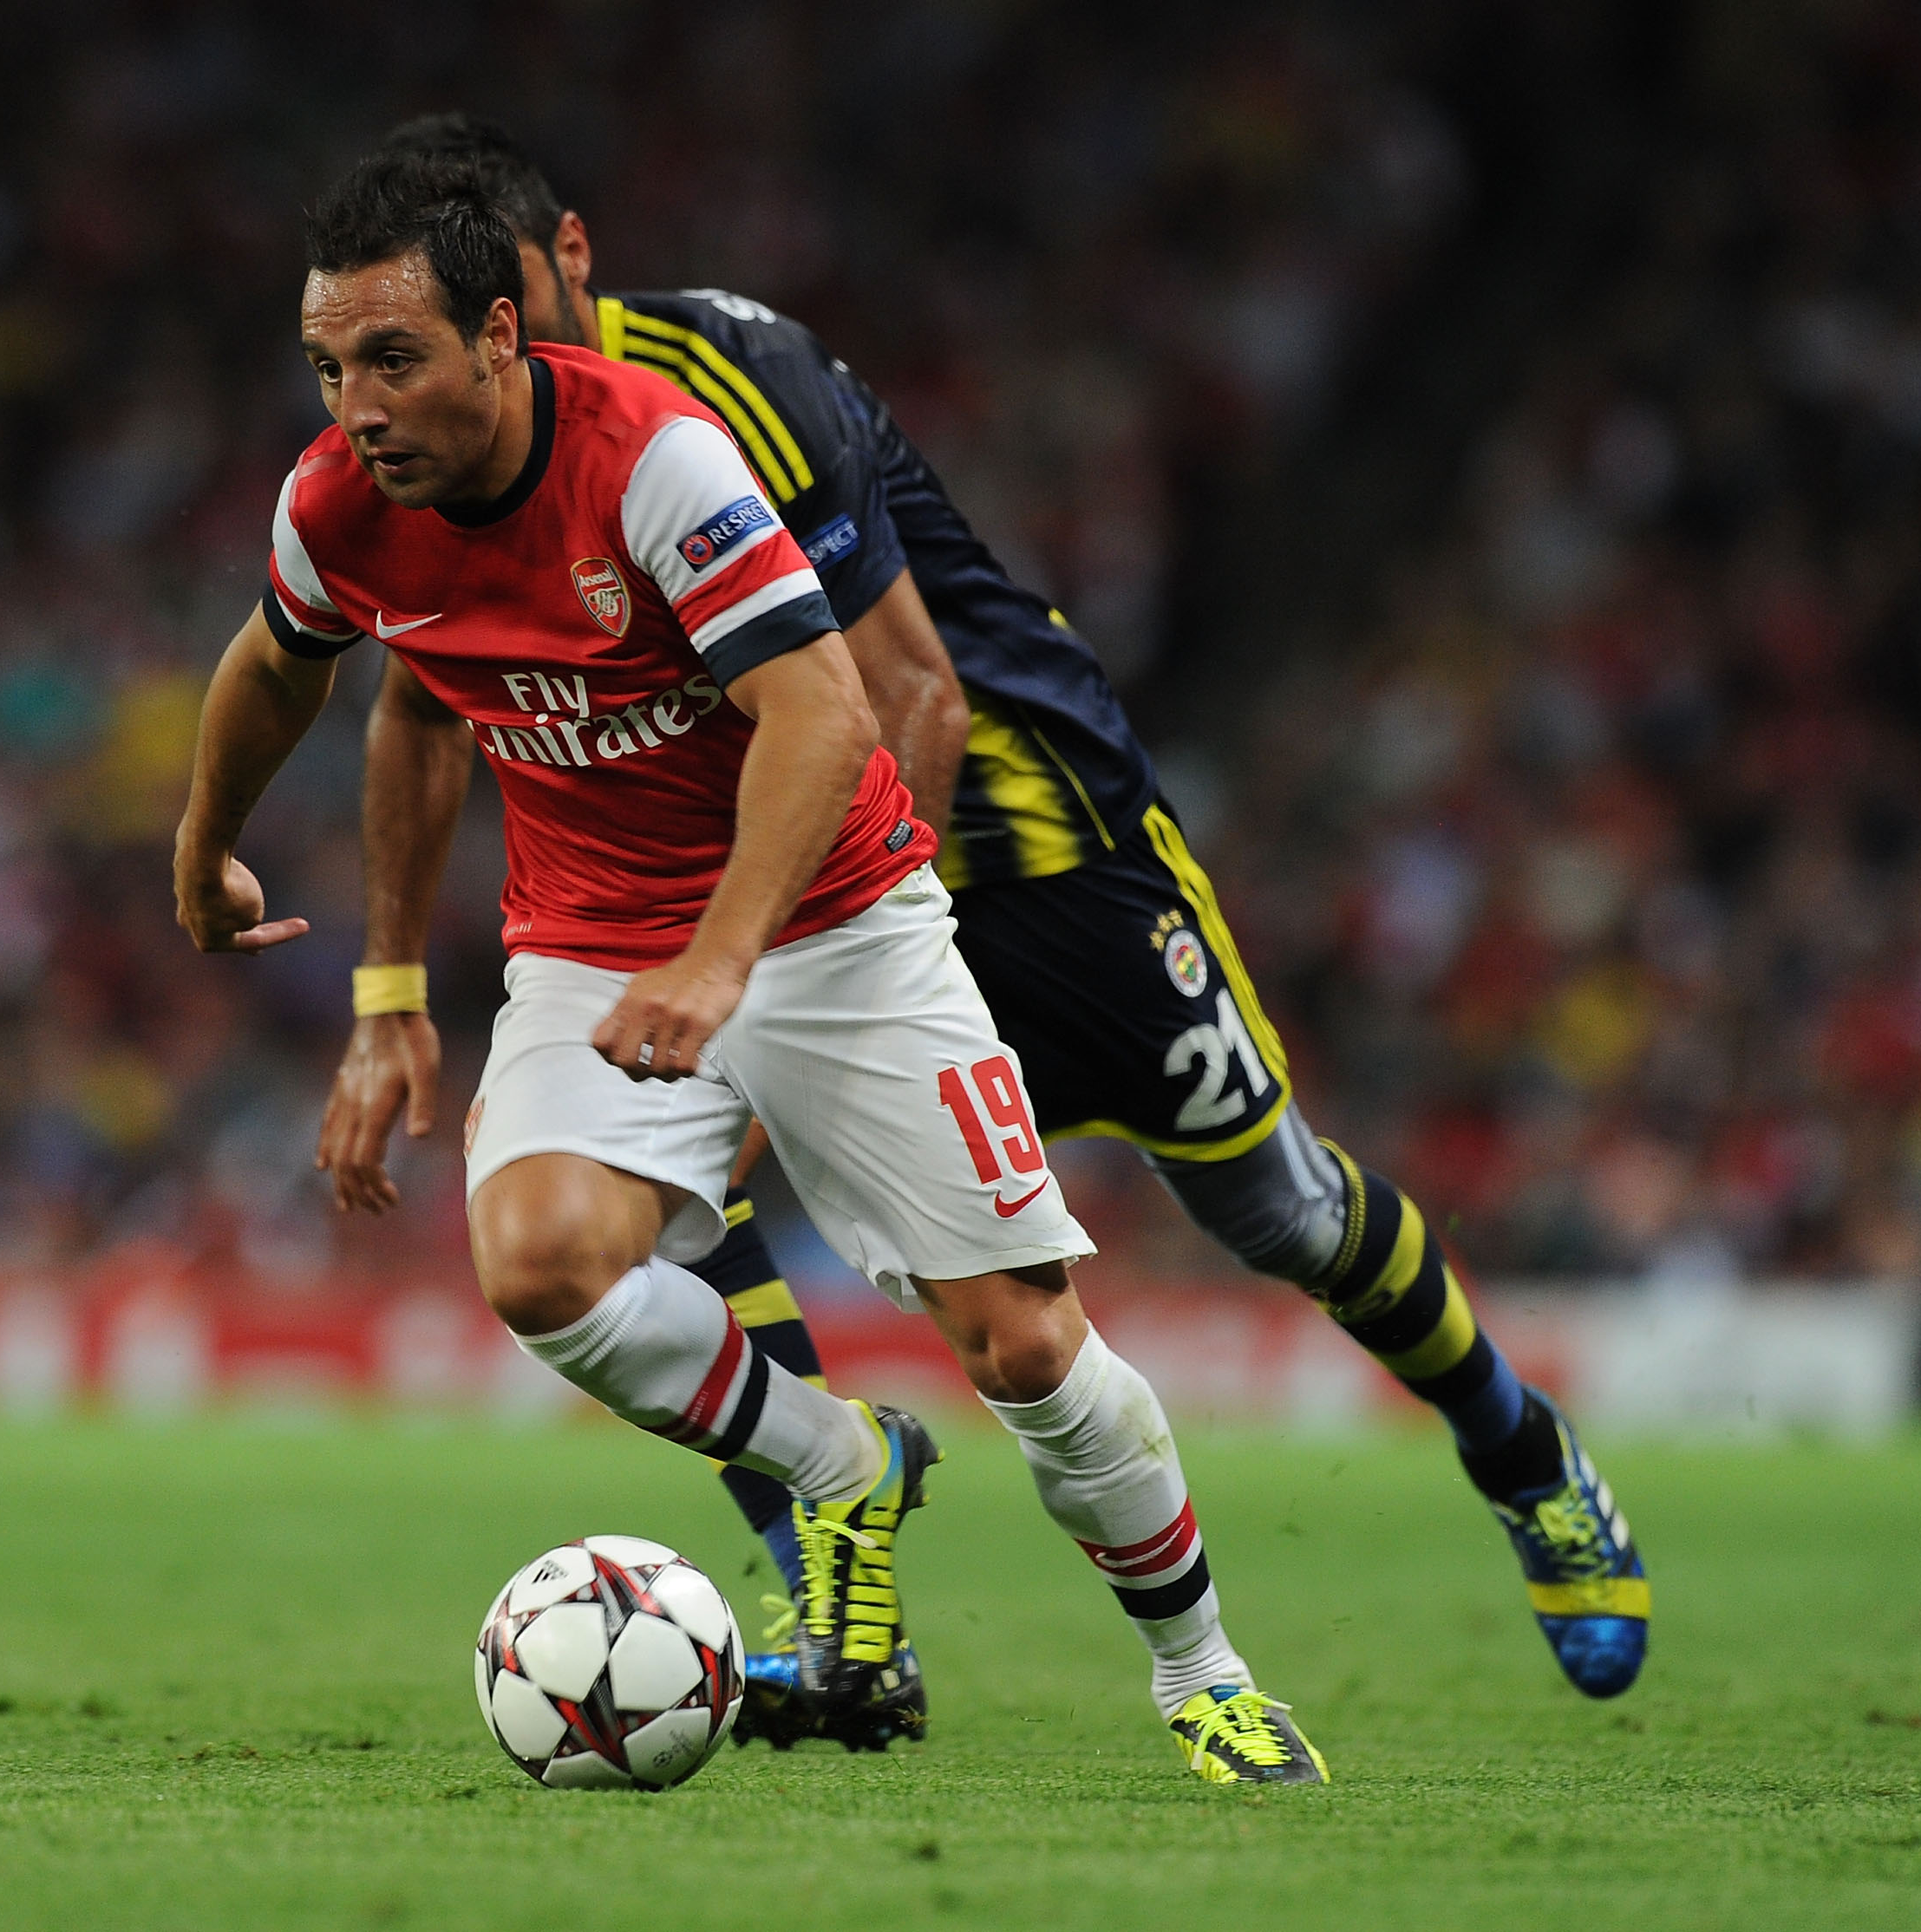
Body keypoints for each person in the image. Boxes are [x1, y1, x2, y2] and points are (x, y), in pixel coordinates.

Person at [316, 115, 1650, 1750]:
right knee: (658, 1212)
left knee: (1276, 1207)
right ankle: (840, 1613)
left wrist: (837, 971)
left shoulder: (727, 386)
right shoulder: (465, 460)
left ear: (562, 265)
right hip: (755, 873)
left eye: (511, 311)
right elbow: (426, 695)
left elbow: (911, 695)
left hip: (1019, 839)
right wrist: (410, 985)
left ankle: (1521, 1450)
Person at [178, 147, 1328, 1787]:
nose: (356, 407)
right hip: (594, 939)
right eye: (327, 367)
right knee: (539, 1263)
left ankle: (1204, 1674)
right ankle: (843, 1463)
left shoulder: (656, 460)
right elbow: (276, 666)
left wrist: (723, 967)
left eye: (393, 359)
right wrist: (204, 842)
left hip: (837, 919)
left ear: (500, 338)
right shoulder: (337, 505)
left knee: (1022, 1344)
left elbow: (827, 709)